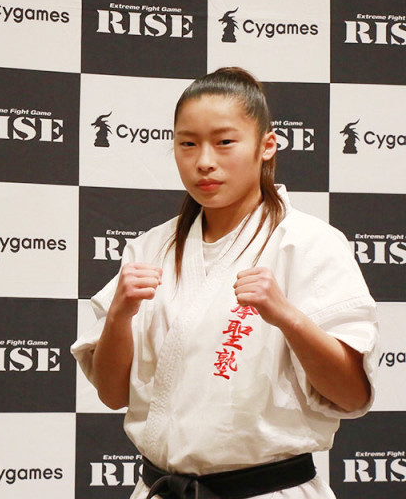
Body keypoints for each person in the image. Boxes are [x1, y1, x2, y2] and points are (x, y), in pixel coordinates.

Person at [71, 67, 378, 499]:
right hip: (162, 488)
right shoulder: (150, 248)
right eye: (187, 144)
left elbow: (351, 396)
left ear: (266, 146)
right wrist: (120, 314)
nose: (204, 162)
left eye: (224, 142)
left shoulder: (309, 244)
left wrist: (286, 316)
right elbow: (111, 393)